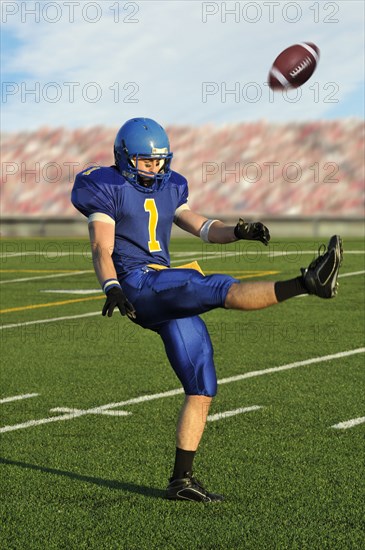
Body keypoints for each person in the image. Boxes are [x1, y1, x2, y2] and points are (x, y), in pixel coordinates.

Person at [71, 117, 343, 503]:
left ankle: (181, 480)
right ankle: (306, 283)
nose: (155, 168)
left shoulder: (170, 186)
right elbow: (101, 247)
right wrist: (112, 286)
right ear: (125, 157)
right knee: (212, 286)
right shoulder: (106, 186)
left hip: (163, 290)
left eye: (160, 161)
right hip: (138, 283)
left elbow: (199, 225)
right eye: (146, 161)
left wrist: (237, 231)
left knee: (202, 384)